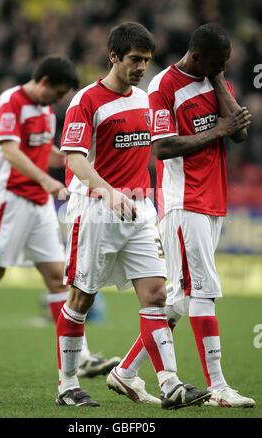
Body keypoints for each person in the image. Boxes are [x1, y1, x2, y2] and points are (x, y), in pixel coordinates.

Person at [55, 21, 211, 409]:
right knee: (80, 298)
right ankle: (68, 385)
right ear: (114, 56)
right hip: (95, 209)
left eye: (146, 60)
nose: (142, 67)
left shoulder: (146, 100)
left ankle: (170, 383)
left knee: (157, 294)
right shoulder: (87, 100)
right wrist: (106, 192)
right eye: (135, 60)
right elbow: (73, 157)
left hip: (140, 209)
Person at [107, 23, 256, 408]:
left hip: (214, 201)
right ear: (197, 57)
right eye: (219, 64)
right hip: (184, 201)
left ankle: (124, 372)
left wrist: (220, 84)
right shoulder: (163, 87)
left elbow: (238, 133)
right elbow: (163, 147)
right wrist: (219, 129)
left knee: (179, 299)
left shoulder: (214, 79)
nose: (224, 69)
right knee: (202, 291)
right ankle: (219, 388)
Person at [0, 55, 120, 379]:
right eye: (58, 93)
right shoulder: (11, 101)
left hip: (39, 206)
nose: (60, 100)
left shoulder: (46, 111)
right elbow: (11, 151)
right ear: (44, 81)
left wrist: (65, 156)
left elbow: (41, 150)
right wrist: (46, 179)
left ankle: (83, 357)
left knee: (56, 277)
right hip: (11, 199)